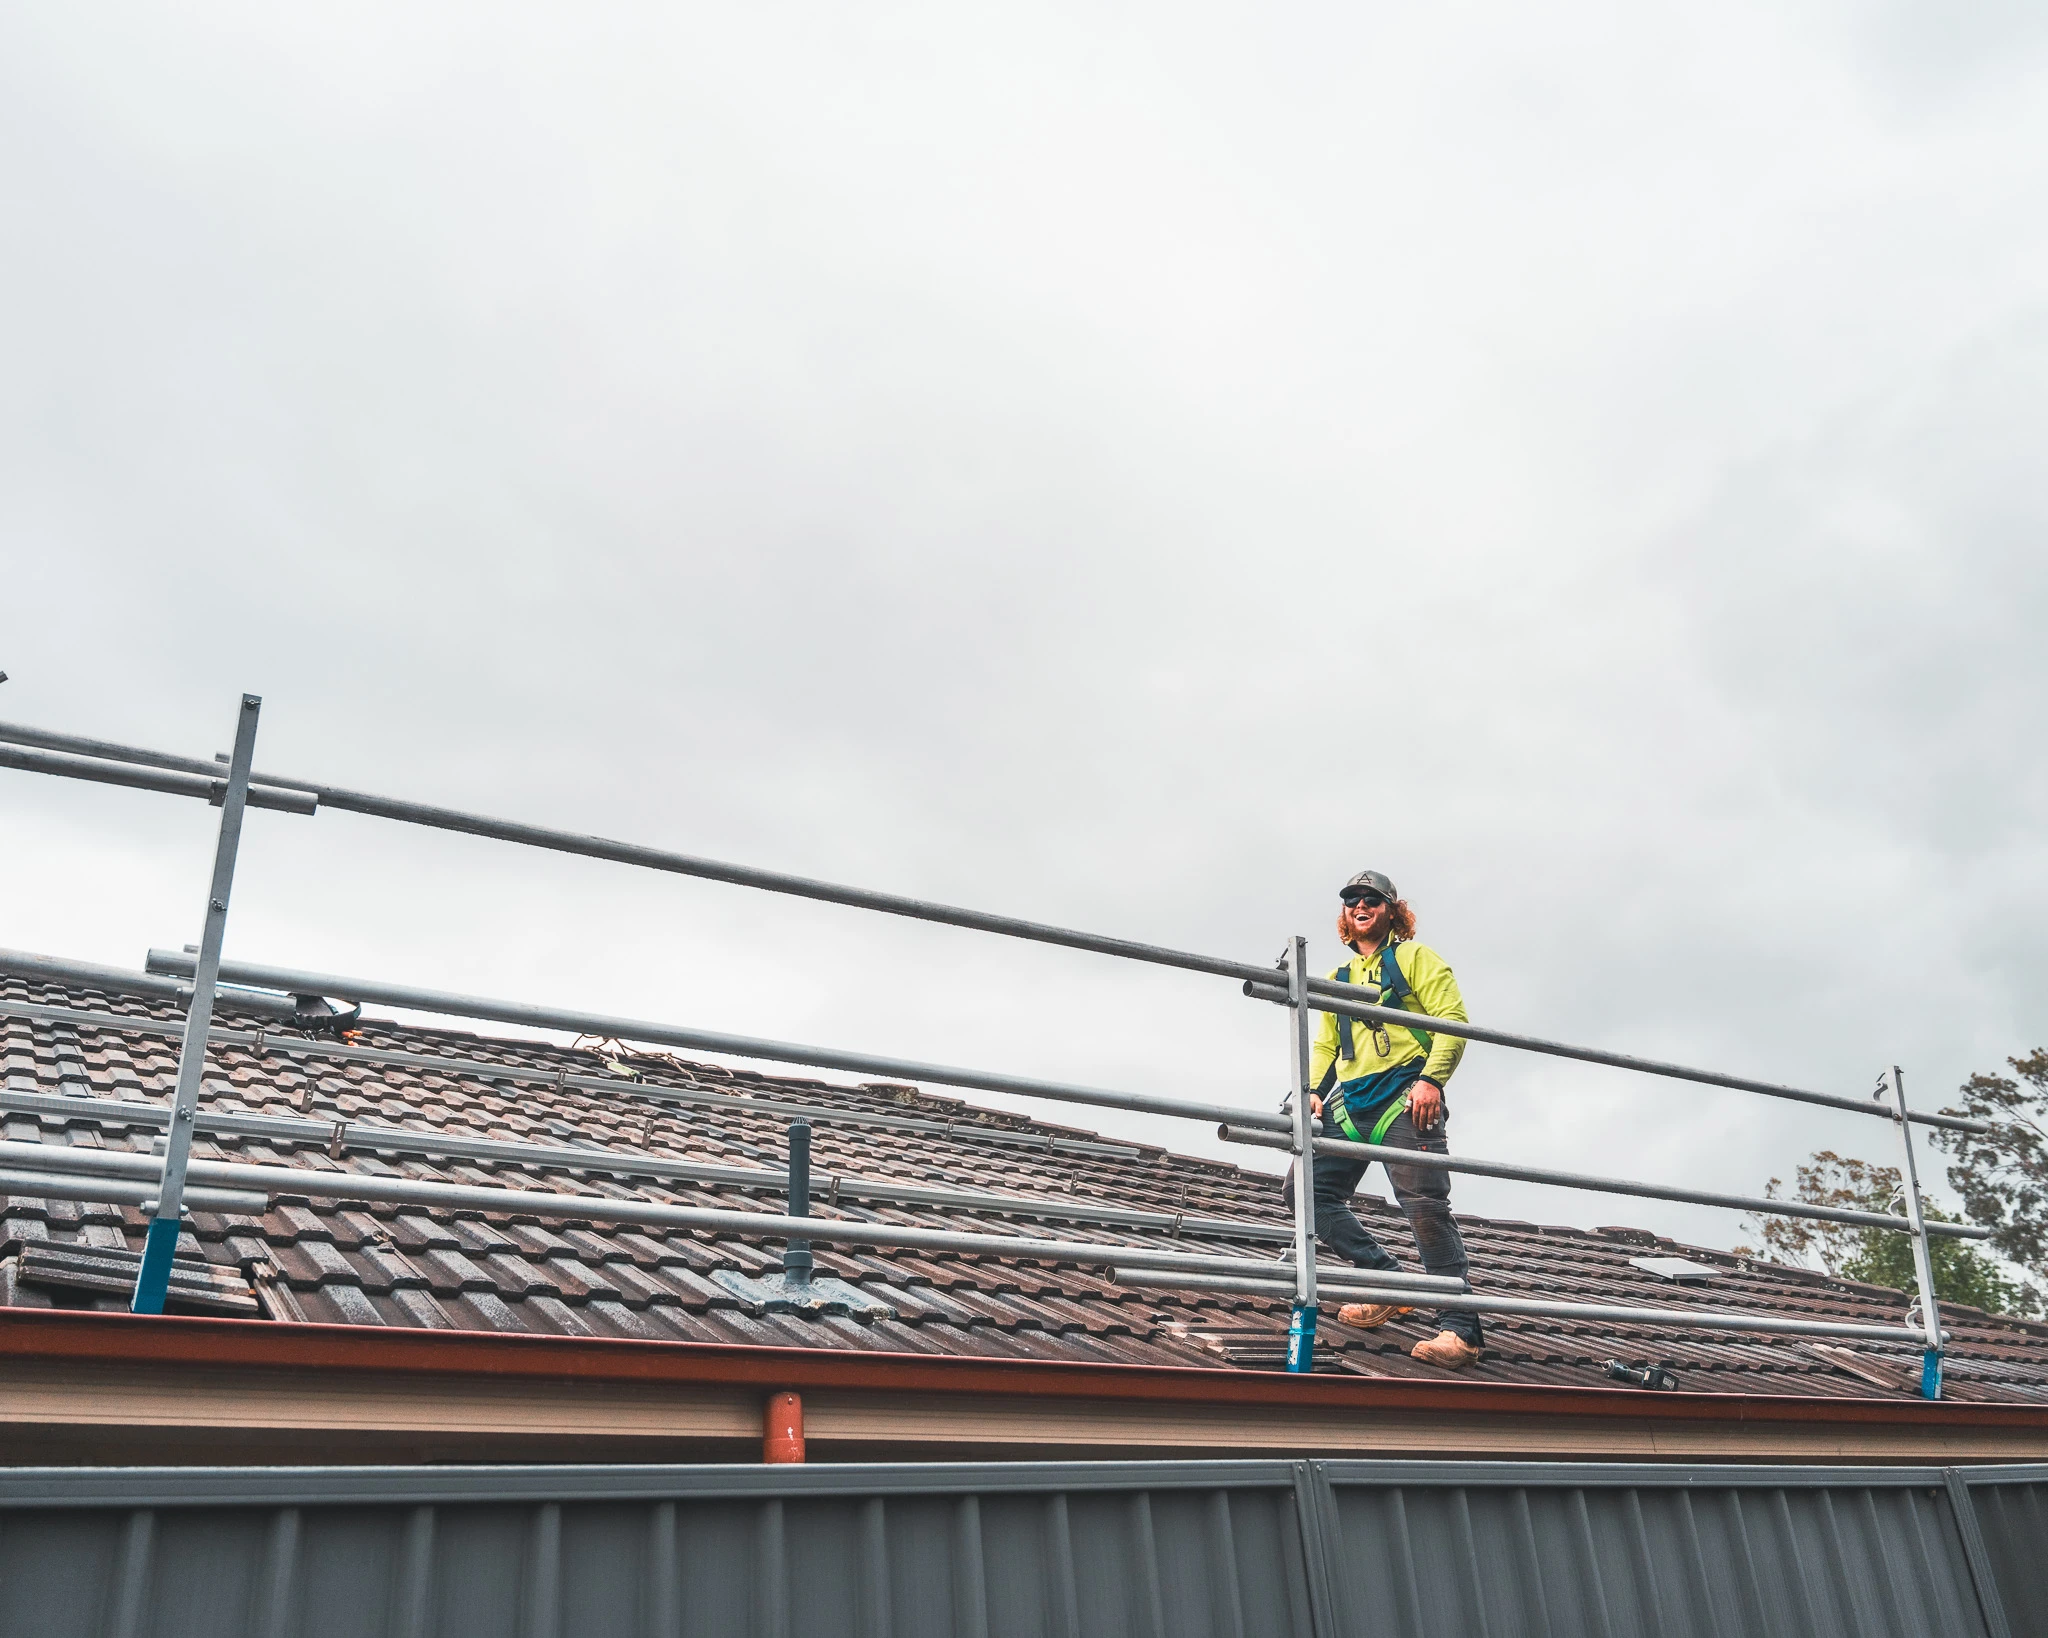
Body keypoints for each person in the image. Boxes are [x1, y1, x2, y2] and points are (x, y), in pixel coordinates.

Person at [1284, 869, 1484, 1369]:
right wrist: (1311, 1091)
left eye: (1370, 898)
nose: (1359, 904)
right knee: (1306, 1193)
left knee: (1424, 1206)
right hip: (1351, 1103)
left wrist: (1433, 1080)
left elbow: (1451, 1021)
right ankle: (1388, 1282)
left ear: (1392, 909)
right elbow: (1328, 1043)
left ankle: (1462, 1330)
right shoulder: (1340, 980)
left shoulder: (1415, 958)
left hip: (1405, 1094)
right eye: (1351, 900)